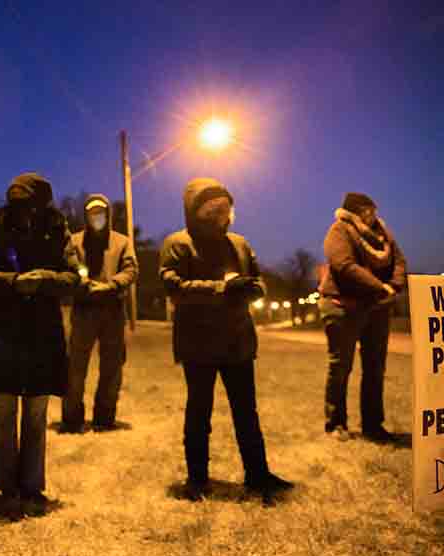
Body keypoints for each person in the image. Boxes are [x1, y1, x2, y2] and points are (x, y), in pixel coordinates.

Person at [159, 177, 292, 503]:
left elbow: (259, 281)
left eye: (224, 208)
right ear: (195, 209)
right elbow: (174, 288)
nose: (220, 214)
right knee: (199, 411)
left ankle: (258, 474)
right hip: (198, 342)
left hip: (237, 341)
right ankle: (197, 479)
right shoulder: (178, 243)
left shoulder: (240, 244)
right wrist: (221, 288)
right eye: (212, 208)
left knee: (246, 411)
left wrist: (250, 287)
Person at [0, 173, 80, 504]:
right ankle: (5, 484)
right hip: (2, 330)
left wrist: (44, 279)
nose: (23, 211)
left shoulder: (58, 232)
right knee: (3, 411)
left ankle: (32, 486)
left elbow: (74, 278)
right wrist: (14, 282)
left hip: (41, 332)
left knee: (35, 412)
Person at [318, 192, 406, 442]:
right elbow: (343, 264)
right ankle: (335, 423)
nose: (372, 215)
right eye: (366, 210)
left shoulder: (382, 234)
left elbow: (399, 260)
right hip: (342, 306)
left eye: (373, 210)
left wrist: (395, 285)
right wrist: (380, 286)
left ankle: (373, 425)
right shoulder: (340, 230)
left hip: (376, 307)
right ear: (353, 212)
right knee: (341, 367)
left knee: (375, 368)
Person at [62, 194, 137, 433]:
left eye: (101, 213)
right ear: (86, 216)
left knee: (112, 367)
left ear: (108, 214)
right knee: (75, 367)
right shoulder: (74, 241)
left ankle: (104, 418)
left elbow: (130, 269)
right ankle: (72, 418)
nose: (97, 218)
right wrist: (84, 284)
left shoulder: (122, 242)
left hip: (113, 311)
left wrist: (112, 285)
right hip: (84, 311)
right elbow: (69, 265)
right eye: (92, 213)